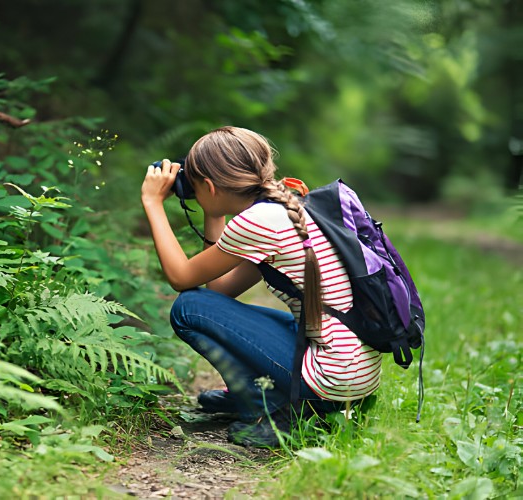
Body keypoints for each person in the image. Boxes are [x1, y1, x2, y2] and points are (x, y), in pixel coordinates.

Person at [140, 126, 381, 447]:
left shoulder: (258, 221)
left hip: (335, 375)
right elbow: (220, 292)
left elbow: (182, 279)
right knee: (208, 307)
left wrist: (153, 203)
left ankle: (271, 409)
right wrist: (213, 213)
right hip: (355, 371)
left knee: (187, 308)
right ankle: (272, 394)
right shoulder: (284, 207)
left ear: (209, 187)